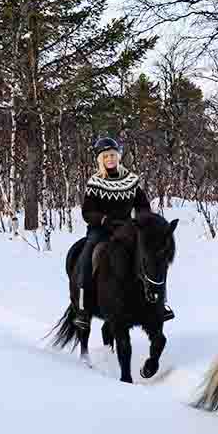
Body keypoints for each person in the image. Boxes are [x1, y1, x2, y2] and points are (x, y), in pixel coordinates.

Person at [74, 136, 171, 328]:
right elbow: (87, 211)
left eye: (112, 155)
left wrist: (141, 220)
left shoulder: (131, 180)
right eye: (106, 156)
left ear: (118, 156)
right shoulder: (95, 182)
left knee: (153, 257)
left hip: (127, 229)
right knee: (86, 257)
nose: (110, 159)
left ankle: (161, 303)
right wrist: (103, 220)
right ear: (100, 160)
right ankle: (83, 309)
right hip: (100, 230)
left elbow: (143, 206)